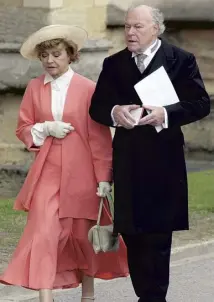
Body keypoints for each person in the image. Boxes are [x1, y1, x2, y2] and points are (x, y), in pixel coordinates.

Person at [89, 4, 210, 302]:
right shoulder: (114, 63)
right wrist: (116, 111)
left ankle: (153, 298)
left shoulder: (181, 60)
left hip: (163, 164)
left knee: (158, 238)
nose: (130, 32)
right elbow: (97, 108)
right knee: (133, 235)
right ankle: (148, 296)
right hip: (128, 162)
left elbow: (200, 104)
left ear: (156, 29)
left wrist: (165, 114)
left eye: (137, 27)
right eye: (127, 26)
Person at [0, 24, 128, 302]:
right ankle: (46, 298)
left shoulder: (89, 89)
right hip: (46, 171)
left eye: (56, 54)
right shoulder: (35, 88)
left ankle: (88, 295)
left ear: (70, 55)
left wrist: (104, 179)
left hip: (82, 173)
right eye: (45, 55)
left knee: (81, 237)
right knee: (43, 232)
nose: (50, 60)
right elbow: (23, 128)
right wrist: (45, 128)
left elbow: (100, 139)